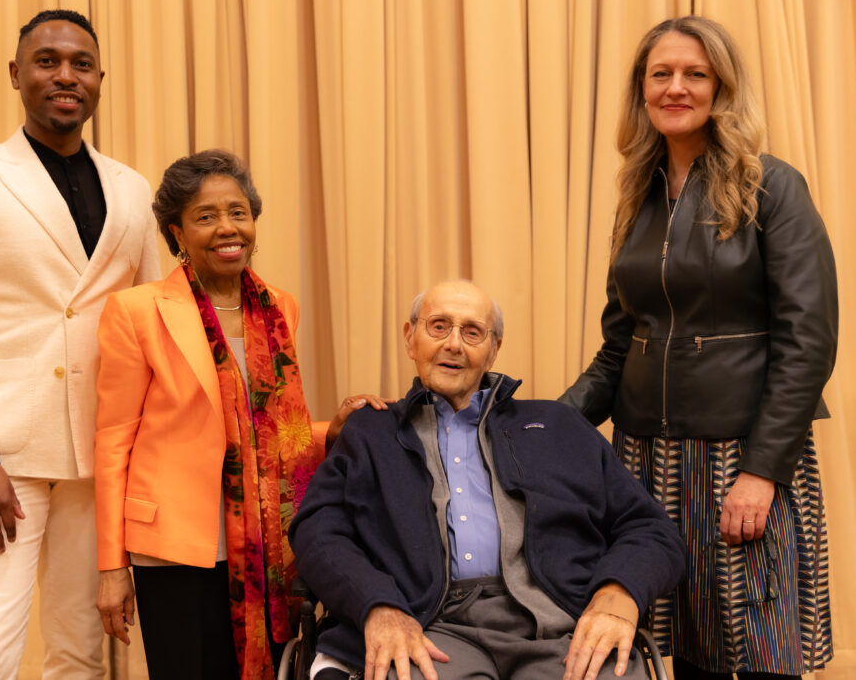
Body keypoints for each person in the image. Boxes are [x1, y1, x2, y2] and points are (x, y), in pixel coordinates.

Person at [558, 16, 837, 680]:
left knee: (764, 653)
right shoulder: (637, 198)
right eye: (661, 74)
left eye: (695, 73)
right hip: (647, 462)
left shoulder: (773, 185)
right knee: (681, 652)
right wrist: (537, 427)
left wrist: (764, 469)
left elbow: (809, 339)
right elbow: (620, 346)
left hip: (745, 457)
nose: (676, 87)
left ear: (721, 87)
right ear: (643, 90)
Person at [0, 9, 160, 678]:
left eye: (80, 63)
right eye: (47, 61)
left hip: (99, 458)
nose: (65, 75)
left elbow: (152, 323)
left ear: (100, 80)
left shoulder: (133, 191)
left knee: (78, 651)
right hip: (2, 458)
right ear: (16, 75)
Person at [289, 280, 685, 680]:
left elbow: (650, 528)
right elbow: (317, 531)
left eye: (473, 332)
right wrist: (377, 604)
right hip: (427, 624)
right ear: (411, 339)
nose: (454, 344)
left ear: (494, 349)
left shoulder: (557, 426)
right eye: (438, 326)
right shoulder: (370, 434)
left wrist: (617, 594)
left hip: (557, 624)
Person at [93, 149, 385, 679]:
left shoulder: (279, 307)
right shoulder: (135, 312)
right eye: (205, 216)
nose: (227, 228)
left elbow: (271, 430)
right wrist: (112, 566)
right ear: (177, 232)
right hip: (176, 548)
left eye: (238, 212)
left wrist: (331, 431)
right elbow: (114, 442)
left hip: (271, 550)